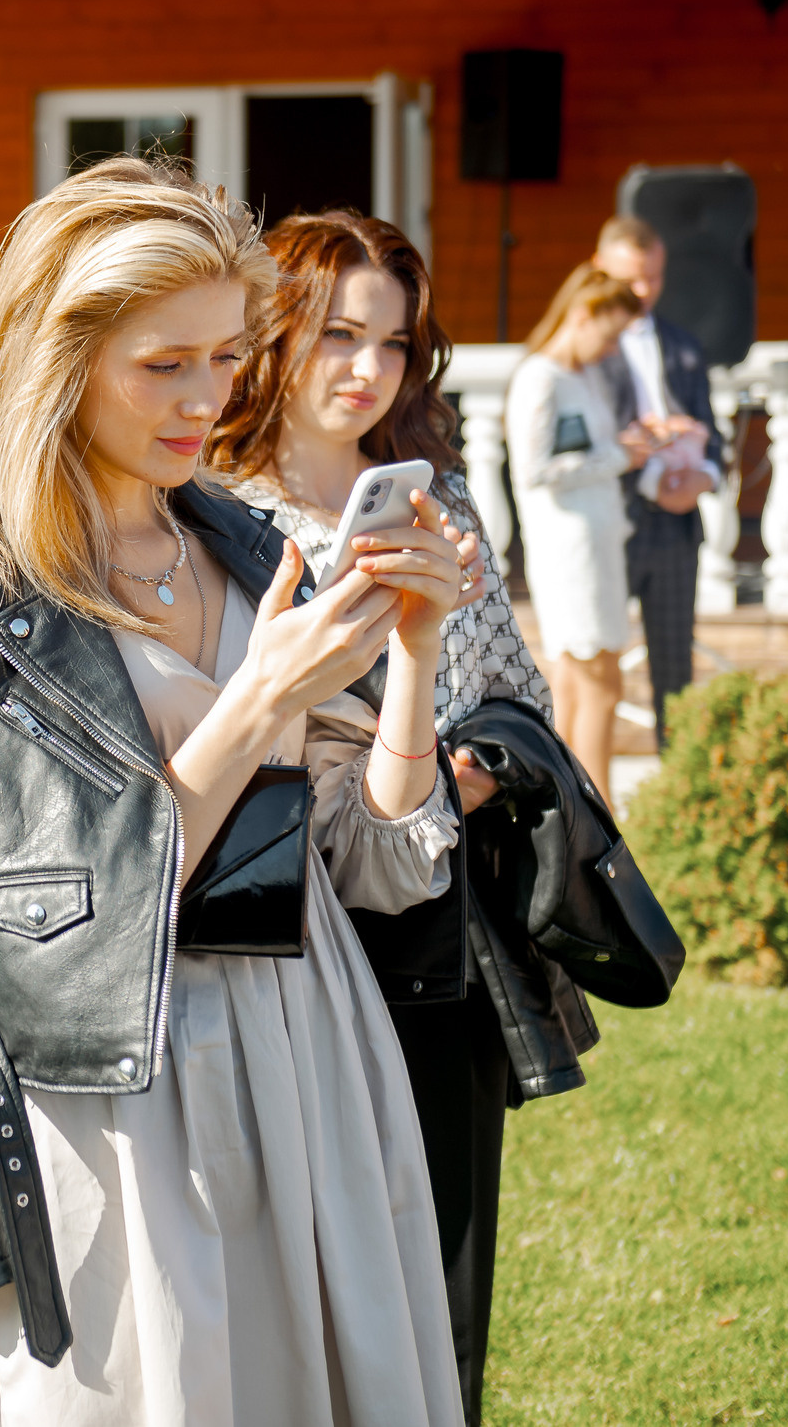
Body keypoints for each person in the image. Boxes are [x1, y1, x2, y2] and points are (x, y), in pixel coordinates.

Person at [0, 158, 475, 1425]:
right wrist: (259, 696)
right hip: (111, 1099)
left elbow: (378, 863)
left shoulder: (245, 542)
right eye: (161, 362)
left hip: (318, 1045)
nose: (204, 398)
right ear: (57, 356)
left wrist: (414, 654)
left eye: (224, 358)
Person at [207, 209, 591, 1424]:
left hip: (442, 941)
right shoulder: (212, 521)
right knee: (299, 1298)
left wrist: (458, 758)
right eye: (335, 334)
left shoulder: (447, 512)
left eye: (391, 341)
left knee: (441, 1284)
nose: (366, 367)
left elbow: (520, 695)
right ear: (270, 341)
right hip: (285, 938)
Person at [505, 265, 656, 791]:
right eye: (611, 334)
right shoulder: (539, 377)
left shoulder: (581, 377)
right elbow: (533, 469)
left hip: (599, 543)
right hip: (569, 551)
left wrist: (629, 446)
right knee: (596, 685)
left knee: (581, 685)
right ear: (582, 315)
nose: (613, 349)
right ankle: (600, 815)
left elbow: (588, 452)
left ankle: (571, 811)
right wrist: (618, 456)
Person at [592, 215, 722, 735]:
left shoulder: (685, 346)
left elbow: (717, 437)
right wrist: (652, 484)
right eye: (630, 281)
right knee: (597, 664)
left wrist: (703, 478)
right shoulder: (587, 350)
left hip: (675, 528)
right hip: (614, 519)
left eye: (654, 278)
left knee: (675, 669)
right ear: (599, 268)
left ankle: (677, 790)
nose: (643, 291)